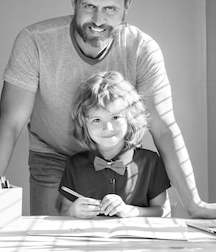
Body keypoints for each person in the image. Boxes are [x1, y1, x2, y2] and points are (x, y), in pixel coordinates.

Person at [0, 0, 216, 218]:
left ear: (126, 5)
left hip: (118, 155)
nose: (98, 20)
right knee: (52, 236)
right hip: (53, 155)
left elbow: (164, 129)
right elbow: (10, 124)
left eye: (110, 8)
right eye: (89, 6)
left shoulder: (142, 49)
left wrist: (194, 205)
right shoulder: (34, 42)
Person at [59, 71, 170, 218]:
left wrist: (131, 211)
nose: (108, 128)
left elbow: (164, 212)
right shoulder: (74, 165)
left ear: (130, 117)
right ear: (83, 123)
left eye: (115, 117)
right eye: (97, 120)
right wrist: (73, 211)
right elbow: (63, 213)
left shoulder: (150, 162)